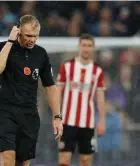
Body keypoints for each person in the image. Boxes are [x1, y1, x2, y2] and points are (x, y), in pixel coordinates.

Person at [0, 14, 63, 166]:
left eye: (36, 36)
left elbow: (50, 87)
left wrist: (57, 117)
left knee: (22, 163)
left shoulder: (41, 54)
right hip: (5, 112)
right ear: (18, 32)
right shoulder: (3, 47)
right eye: (28, 35)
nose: (32, 40)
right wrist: (10, 41)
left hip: (29, 114)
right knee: (8, 158)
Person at [57, 34, 106, 166]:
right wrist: (57, 117)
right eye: (84, 45)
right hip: (68, 122)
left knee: (85, 161)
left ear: (93, 48)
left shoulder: (98, 71)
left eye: (89, 46)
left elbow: (100, 97)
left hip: (88, 123)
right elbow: (58, 93)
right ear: (79, 46)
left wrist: (102, 120)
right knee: (63, 161)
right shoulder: (67, 67)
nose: (86, 48)